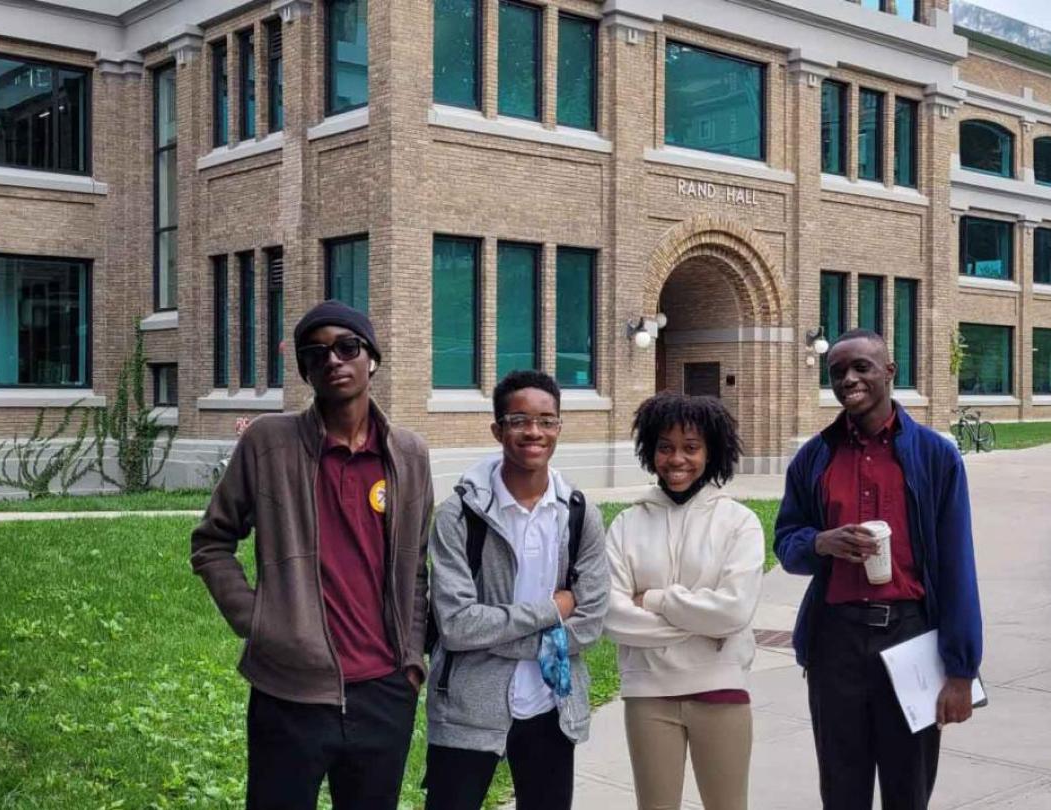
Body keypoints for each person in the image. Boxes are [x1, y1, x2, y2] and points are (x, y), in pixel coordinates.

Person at [190, 301, 434, 810]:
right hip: (289, 692)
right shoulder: (268, 444)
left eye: (348, 347)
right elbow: (213, 541)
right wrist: (257, 621)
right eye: (316, 353)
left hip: (384, 690)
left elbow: (415, 567)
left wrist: (410, 661)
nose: (334, 361)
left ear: (372, 359)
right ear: (304, 370)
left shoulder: (409, 455)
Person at [774, 329, 982, 810]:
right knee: (841, 788)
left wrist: (961, 670)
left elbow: (957, 567)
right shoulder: (814, 458)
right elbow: (786, 544)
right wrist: (820, 542)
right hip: (835, 644)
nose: (849, 379)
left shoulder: (935, 456)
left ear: (889, 372)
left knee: (908, 789)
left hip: (910, 637)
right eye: (838, 372)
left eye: (861, 367)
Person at [424, 370, 610, 810]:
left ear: (559, 427)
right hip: (468, 707)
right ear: (497, 429)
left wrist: (498, 636)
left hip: (551, 706)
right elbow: (456, 625)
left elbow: (591, 622)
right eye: (520, 420)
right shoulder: (458, 517)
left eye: (547, 420)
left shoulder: (579, 515)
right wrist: (551, 610)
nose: (534, 432)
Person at [604, 393, 766, 810]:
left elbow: (734, 611)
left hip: (720, 689)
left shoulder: (738, 522)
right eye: (665, 447)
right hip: (648, 694)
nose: (677, 458)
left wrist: (655, 599)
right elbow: (612, 615)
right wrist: (703, 623)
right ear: (650, 450)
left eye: (691, 448)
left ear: (712, 452)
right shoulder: (627, 523)